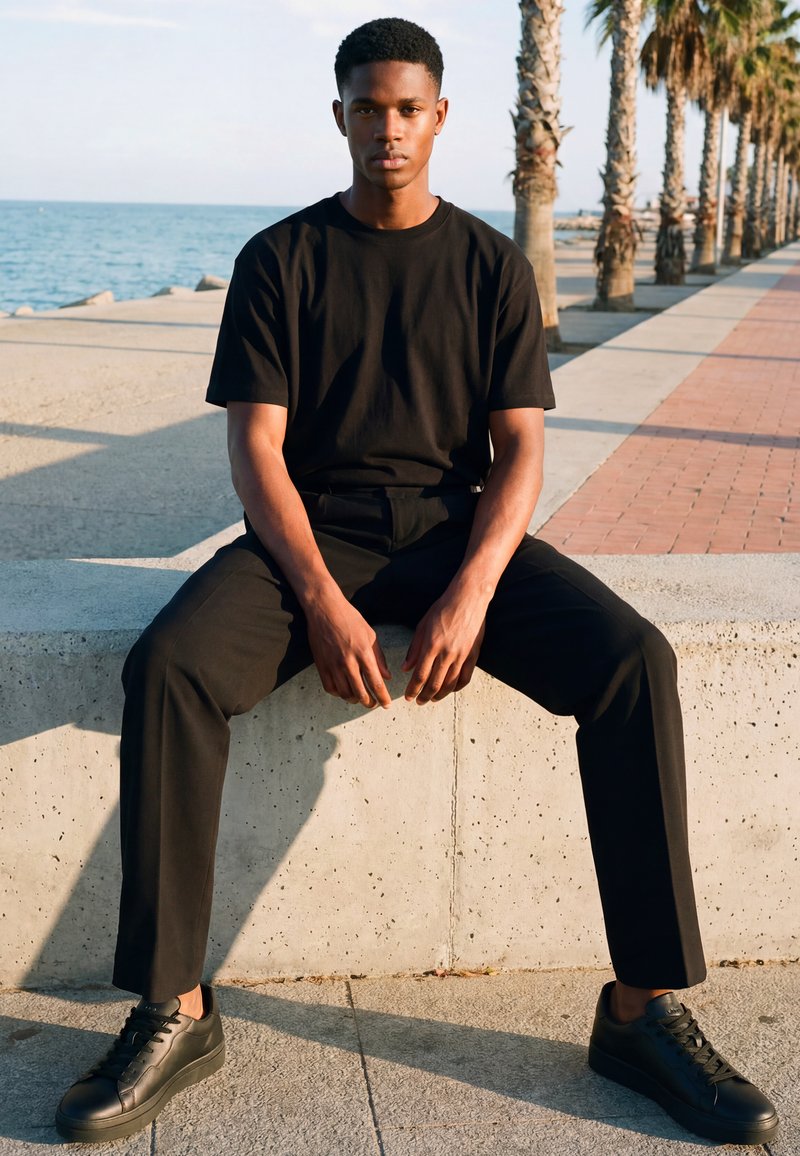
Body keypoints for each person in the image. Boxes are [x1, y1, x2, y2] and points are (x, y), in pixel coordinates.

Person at [55, 17, 778, 1147]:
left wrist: (473, 592)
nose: (386, 128)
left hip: (454, 531)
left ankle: (641, 1012)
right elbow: (255, 450)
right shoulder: (280, 259)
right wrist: (321, 601)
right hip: (313, 536)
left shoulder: (490, 266)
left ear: (439, 117)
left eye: (406, 109)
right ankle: (174, 1007)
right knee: (171, 668)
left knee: (633, 661)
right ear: (337, 115)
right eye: (366, 107)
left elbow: (521, 450)